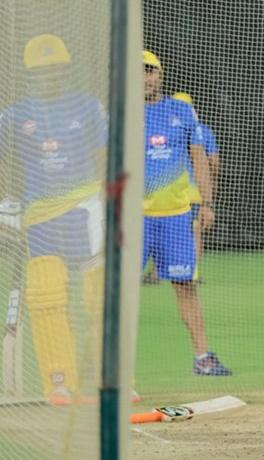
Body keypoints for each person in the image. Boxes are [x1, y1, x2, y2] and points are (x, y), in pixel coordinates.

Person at [0, 34, 138, 404]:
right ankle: (58, 382)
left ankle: (109, 378)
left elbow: (104, 157)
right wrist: (5, 203)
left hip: (86, 207)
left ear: (65, 70)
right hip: (39, 215)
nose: (50, 77)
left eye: (55, 70)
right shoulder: (13, 117)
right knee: (47, 295)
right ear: (30, 75)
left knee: (98, 294)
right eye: (42, 72)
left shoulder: (88, 107)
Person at [142, 50, 232, 375]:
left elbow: (200, 158)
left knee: (186, 286)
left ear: (160, 75)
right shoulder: (122, 113)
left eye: (150, 71)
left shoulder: (181, 110)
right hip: (134, 218)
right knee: (120, 290)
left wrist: (205, 203)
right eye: (139, 72)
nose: (145, 78)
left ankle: (203, 358)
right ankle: (111, 368)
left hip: (178, 216)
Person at [143, 91, 220, 285]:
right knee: (192, 232)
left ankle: (158, 272)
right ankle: (190, 272)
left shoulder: (153, 123)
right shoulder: (203, 129)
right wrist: (211, 182)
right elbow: (214, 161)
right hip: (192, 192)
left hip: (179, 192)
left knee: (165, 232)